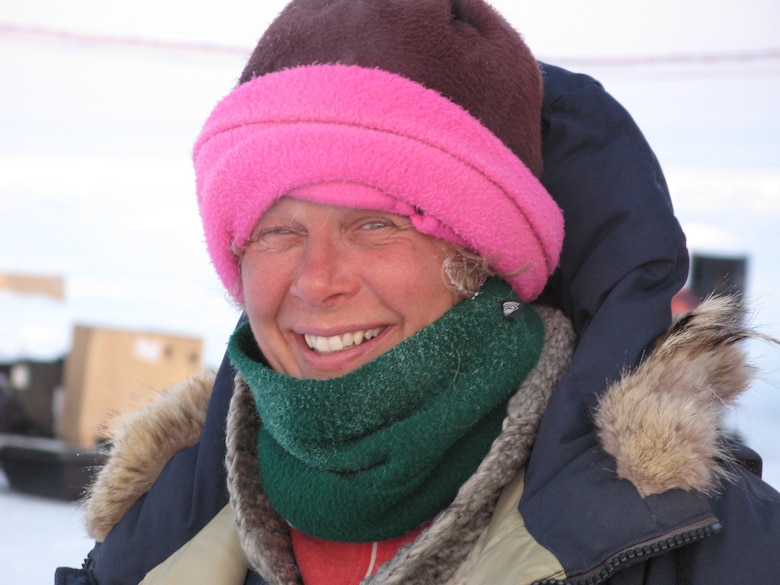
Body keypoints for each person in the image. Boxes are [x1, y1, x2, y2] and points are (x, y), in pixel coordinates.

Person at [55, 1, 780, 584]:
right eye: (275, 231)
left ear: (485, 255)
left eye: (375, 224)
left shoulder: (703, 548)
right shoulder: (158, 540)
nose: (315, 279)